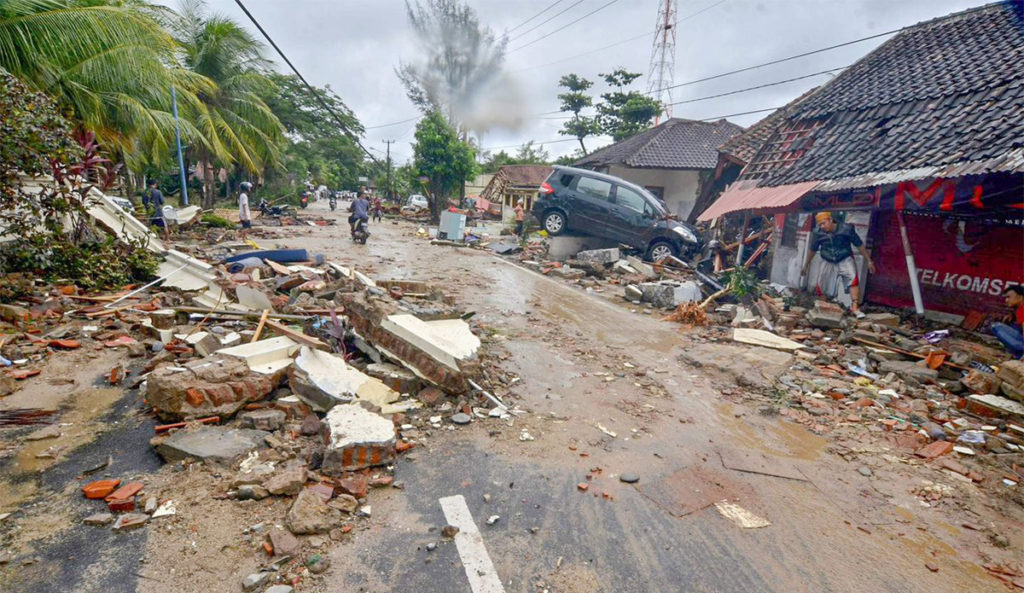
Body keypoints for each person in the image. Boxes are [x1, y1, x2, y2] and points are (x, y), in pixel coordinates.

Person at [801, 211, 875, 318]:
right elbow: (813, 250)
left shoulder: (846, 229)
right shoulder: (818, 233)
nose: (822, 226)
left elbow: (859, 245)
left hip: (845, 257)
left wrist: (869, 261)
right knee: (822, 285)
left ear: (831, 220)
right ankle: (823, 307)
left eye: (824, 223)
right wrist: (806, 265)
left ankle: (854, 307)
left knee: (852, 279)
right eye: (820, 224)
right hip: (827, 259)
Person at [993, 285, 1024, 359]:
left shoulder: (1022, 309)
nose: (1006, 300)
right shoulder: (1019, 308)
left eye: (1008, 297)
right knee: (1013, 326)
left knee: (997, 326)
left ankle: (1019, 353)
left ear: (1020, 297)